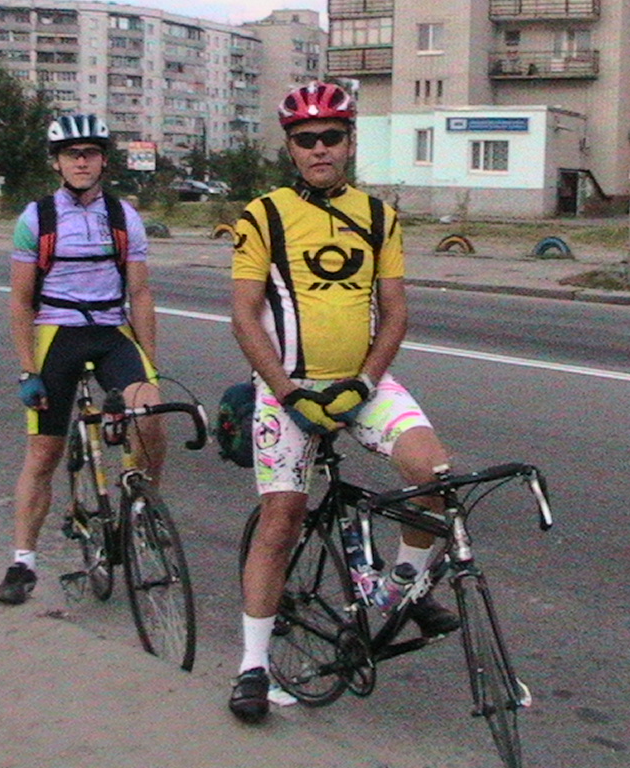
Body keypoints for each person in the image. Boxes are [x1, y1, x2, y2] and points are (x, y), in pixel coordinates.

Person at [228, 82, 461, 723]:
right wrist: (286, 392)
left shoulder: (379, 216)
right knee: (282, 520)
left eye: (331, 136)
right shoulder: (263, 216)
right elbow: (244, 317)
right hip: (289, 388)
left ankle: (401, 589)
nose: (320, 149)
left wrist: (365, 381)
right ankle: (252, 666)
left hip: (362, 383)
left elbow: (396, 312)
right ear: (290, 149)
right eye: (306, 139)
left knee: (434, 474)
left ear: (350, 142)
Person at [0, 114, 165, 605]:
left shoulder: (123, 217)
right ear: (58, 163)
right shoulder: (37, 219)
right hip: (58, 334)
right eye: (72, 154)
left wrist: (149, 365)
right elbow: (20, 300)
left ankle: (143, 509)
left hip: (111, 331)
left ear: (104, 161)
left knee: (151, 416)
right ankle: (22, 562)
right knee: (43, 453)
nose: (82, 162)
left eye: (90, 153)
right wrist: (27, 369)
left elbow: (140, 293)